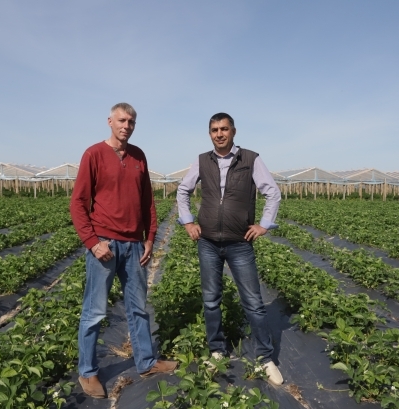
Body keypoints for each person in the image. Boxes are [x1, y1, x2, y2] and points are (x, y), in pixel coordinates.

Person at [70, 103, 177, 399]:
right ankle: (88, 371)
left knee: (139, 308)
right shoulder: (93, 154)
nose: (126, 125)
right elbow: (78, 203)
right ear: (109, 121)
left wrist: (150, 238)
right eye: (121, 120)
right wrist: (93, 242)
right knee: (94, 311)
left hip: (134, 245)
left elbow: (148, 203)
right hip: (105, 244)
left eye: (131, 121)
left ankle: (146, 362)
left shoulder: (138, 156)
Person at [176, 112, 284, 386]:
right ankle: (216, 350)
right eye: (214, 130)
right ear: (210, 133)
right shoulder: (202, 161)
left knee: (254, 302)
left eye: (224, 129)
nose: (219, 134)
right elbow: (183, 190)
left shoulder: (250, 159)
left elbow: (272, 191)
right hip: (209, 242)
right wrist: (188, 222)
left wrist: (264, 225)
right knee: (211, 300)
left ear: (233, 131)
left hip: (240, 242)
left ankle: (265, 358)